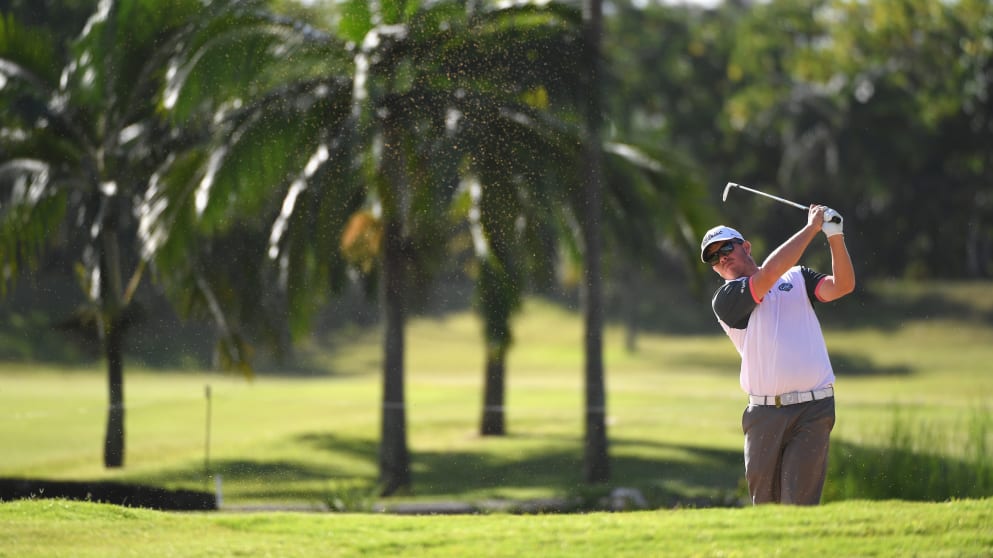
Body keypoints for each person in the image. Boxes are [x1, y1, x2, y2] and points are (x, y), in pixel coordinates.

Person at [700, 205, 855, 505]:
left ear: (746, 247)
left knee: (799, 505)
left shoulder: (798, 277)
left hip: (815, 409)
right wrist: (812, 228)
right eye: (714, 259)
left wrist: (835, 235)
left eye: (727, 248)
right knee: (767, 507)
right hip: (764, 415)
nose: (722, 258)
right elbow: (769, 273)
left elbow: (843, 286)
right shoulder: (726, 299)